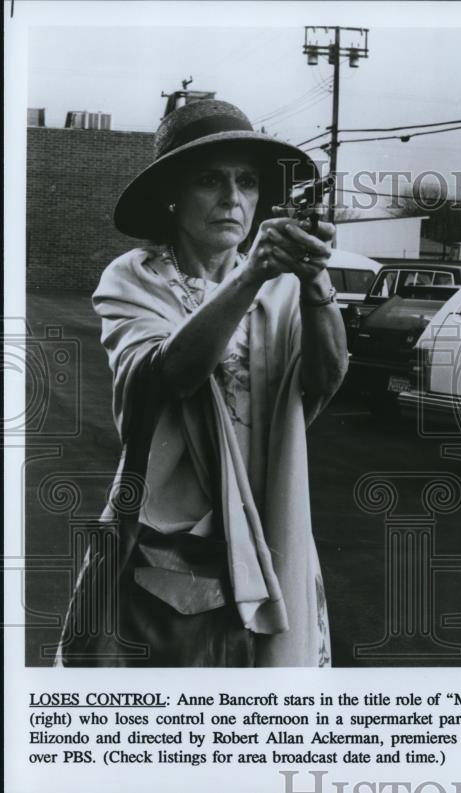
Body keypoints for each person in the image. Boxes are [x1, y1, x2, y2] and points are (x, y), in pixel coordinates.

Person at [57, 99, 349, 666]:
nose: (233, 198)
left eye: (246, 181)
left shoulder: (284, 285)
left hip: (271, 525)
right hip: (174, 541)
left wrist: (314, 283)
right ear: (172, 194)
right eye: (210, 180)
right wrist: (252, 279)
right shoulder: (136, 277)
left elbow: (325, 380)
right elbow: (164, 377)